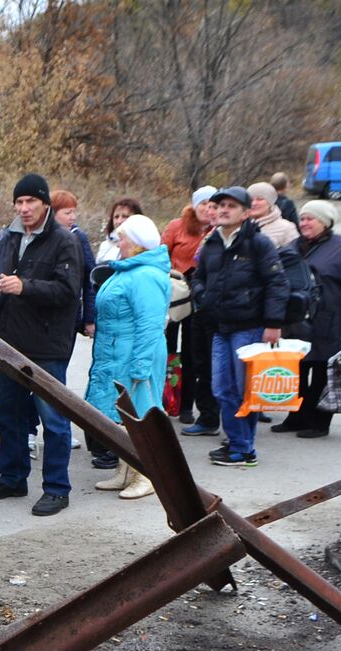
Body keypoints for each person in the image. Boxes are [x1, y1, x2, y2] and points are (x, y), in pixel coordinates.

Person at [0, 173, 83, 516]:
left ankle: (57, 488)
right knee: (8, 413)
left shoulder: (63, 240)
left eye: (31, 202)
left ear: (45, 204)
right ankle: (13, 478)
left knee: (53, 420)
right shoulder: (8, 237)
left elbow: (68, 290)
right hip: (7, 344)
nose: (24, 208)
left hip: (47, 346)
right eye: (19, 202)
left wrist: (26, 287)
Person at [191, 186, 290, 467]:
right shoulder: (212, 243)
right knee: (222, 388)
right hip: (220, 327)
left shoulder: (258, 243)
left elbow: (277, 283)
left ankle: (242, 448)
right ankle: (239, 444)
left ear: (245, 213)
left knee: (243, 390)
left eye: (231, 206)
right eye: (220, 205)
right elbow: (198, 277)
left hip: (249, 327)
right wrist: (203, 296)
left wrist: (273, 323)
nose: (223, 210)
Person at [85, 215, 171, 499]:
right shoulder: (128, 270)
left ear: (136, 243)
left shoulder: (146, 276)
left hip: (135, 355)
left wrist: (141, 366)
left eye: (122, 238)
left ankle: (147, 476)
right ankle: (126, 470)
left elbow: (150, 324)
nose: (118, 243)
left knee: (142, 414)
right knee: (125, 415)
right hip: (118, 353)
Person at [275, 201, 341, 438]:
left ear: (325, 222)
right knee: (297, 371)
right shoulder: (293, 246)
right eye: (302, 219)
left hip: (330, 320)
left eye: (310, 219)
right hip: (297, 321)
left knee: (323, 373)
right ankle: (296, 417)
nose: (304, 223)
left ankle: (318, 422)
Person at [167, 186, 221, 434]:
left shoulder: (216, 231)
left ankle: (187, 405)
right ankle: (168, 399)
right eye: (203, 204)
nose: (208, 209)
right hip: (175, 292)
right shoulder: (177, 226)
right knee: (168, 348)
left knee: (192, 351)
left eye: (212, 205)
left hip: (199, 297)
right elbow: (161, 253)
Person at [51, 190, 98, 338]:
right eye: (67, 213)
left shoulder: (78, 237)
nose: (73, 217)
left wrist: (89, 318)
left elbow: (90, 278)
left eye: (73, 212)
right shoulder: (41, 236)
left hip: (70, 316)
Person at [248, 181, 300, 248]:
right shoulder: (244, 227)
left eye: (260, 199)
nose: (254, 203)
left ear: (270, 203)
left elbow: (296, 252)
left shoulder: (286, 228)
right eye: (251, 200)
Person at [95, 198, 144, 264]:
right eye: (116, 217)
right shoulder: (105, 245)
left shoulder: (144, 246)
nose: (119, 221)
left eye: (125, 216)